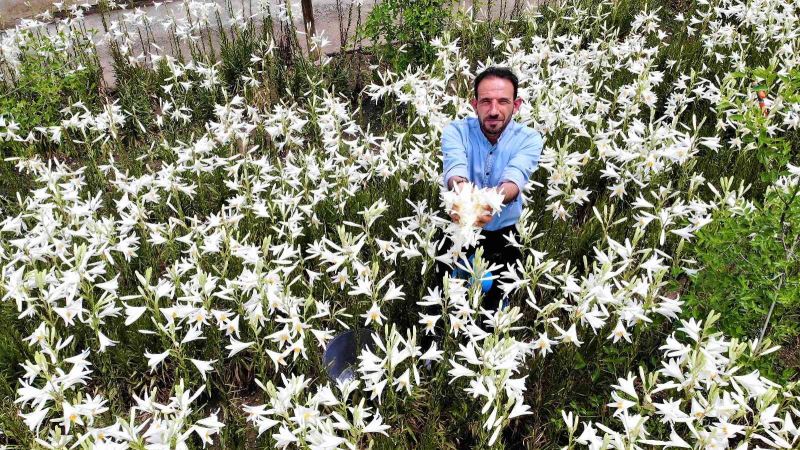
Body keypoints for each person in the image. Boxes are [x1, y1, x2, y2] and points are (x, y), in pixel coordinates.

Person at [439, 66, 544, 311]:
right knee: (450, 302)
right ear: (474, 104)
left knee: (496, 307)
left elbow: (513, 182)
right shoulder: (456, 131)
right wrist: (469, 203)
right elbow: (455, 173)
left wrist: (483, 203)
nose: (494, 110)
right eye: (486, 102)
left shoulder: (529, 139)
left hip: (504, 236)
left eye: (503, 101)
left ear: (516, 105)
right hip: (459, 232)